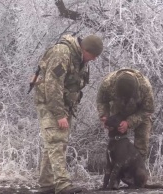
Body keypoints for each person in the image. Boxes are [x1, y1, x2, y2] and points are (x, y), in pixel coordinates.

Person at [34, 34, 103, 194]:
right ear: (85, 49)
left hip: (64, 104)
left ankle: (47, 184)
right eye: (93, 56)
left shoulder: (79, 58)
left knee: (55, 142)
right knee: (57, 141)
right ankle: (63, 185)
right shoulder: (62, 53)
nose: (93, 60)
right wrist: (59, 114)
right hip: (50, 103)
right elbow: (52, 85)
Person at [96, 68, 154, 161]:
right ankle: (117, 168)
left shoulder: (145, 87)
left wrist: (129, 122)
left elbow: (148, 110)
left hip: (139, 113)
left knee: (142, 141)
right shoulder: (108, 83)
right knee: (116, 142)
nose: (124, 99)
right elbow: (101, 101)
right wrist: (104, 114)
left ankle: (138, 169)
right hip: (118, 110)